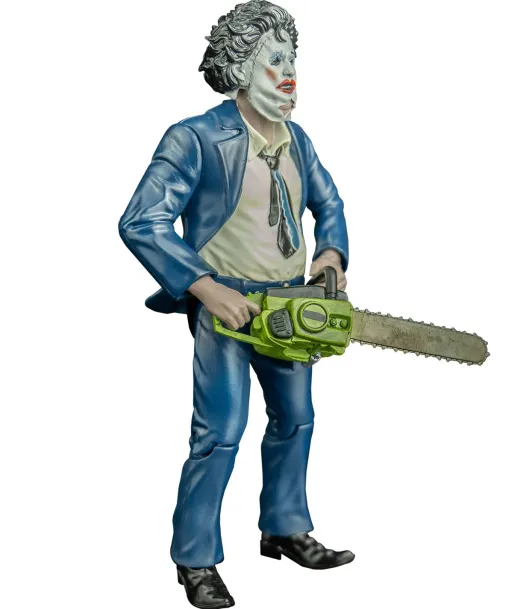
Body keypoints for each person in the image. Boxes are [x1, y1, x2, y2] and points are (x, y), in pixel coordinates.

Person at [119, 2, 352, 607]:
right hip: (228, 306)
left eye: (292, 59)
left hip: (291, 304)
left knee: (296, 418)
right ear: (241, 68)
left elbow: (328, 203)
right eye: (275, 60)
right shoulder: (195, 137)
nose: (289, 72)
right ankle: (195, 557)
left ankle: (285, 525)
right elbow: (142, 221)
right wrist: (204, 286)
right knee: (219, 432)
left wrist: (330, 255)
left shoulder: (297, 140)